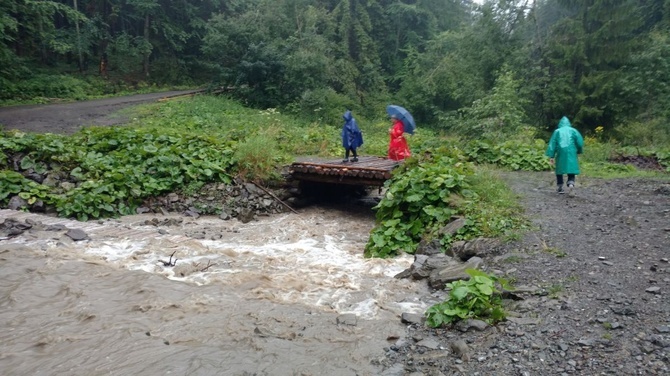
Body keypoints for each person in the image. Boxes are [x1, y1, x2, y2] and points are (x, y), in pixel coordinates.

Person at [545, 116, 584, 194]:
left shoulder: (557, 131)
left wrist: (551, 156)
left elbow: (552, 144)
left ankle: (560, 187)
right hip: (572, 150)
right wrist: (579, 151)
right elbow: (580, 143)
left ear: (560, 123)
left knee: (559, 168)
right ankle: (571, 183)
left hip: (560, 151)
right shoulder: (574, 131)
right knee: (571, 167)